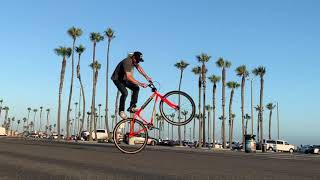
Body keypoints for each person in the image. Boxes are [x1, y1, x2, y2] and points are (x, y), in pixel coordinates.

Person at [111, 51, 152, 119]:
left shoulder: (135, 61)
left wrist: (147, 77)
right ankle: (121, 111)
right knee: (125, 93)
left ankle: (132, 107)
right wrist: (141, 84)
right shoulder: (127, 62)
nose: (137, 62)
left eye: (139, 61)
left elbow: (139, 68)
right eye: (137, 60)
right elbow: (129, 77)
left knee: (136, 88)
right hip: (117, 79)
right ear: (133, 57)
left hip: (124, 79)